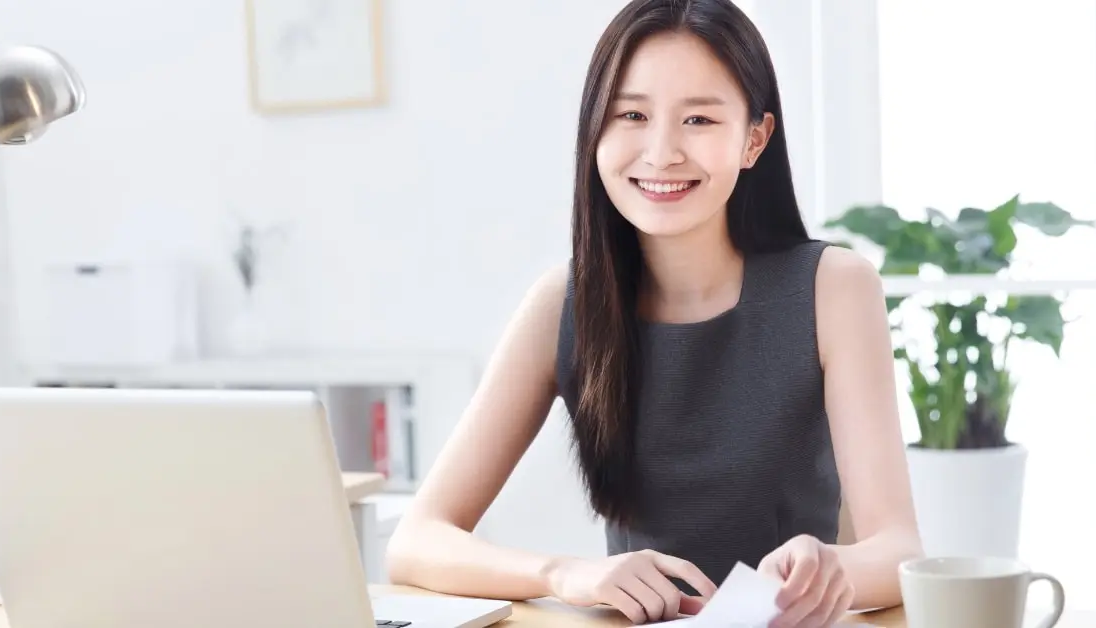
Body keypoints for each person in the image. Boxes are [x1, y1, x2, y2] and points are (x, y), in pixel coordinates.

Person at [384, 0, 923, 625]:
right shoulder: (562, 306)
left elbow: (899, 550)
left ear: (754, 139)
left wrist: (829, 568)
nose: (662, 151)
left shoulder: (833, 288)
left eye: (698, 118)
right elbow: (416, 541)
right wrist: (568, 573)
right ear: (595, 132)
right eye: (632, 115)